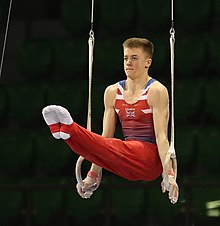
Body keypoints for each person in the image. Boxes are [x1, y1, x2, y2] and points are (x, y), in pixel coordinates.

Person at [42, 37, 179, 204]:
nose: (128, 62)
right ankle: (65, 133)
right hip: (124, 160)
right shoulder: (112, 92)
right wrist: (92, 176)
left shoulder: (156, 91)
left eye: (134, 58)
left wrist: (169, 174)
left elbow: (161, 137)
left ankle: (71, 129)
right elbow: (103, 141)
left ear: (147, 62)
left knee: (115, 146)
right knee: (104, 145)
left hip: (150, 160)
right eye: (125, 58)